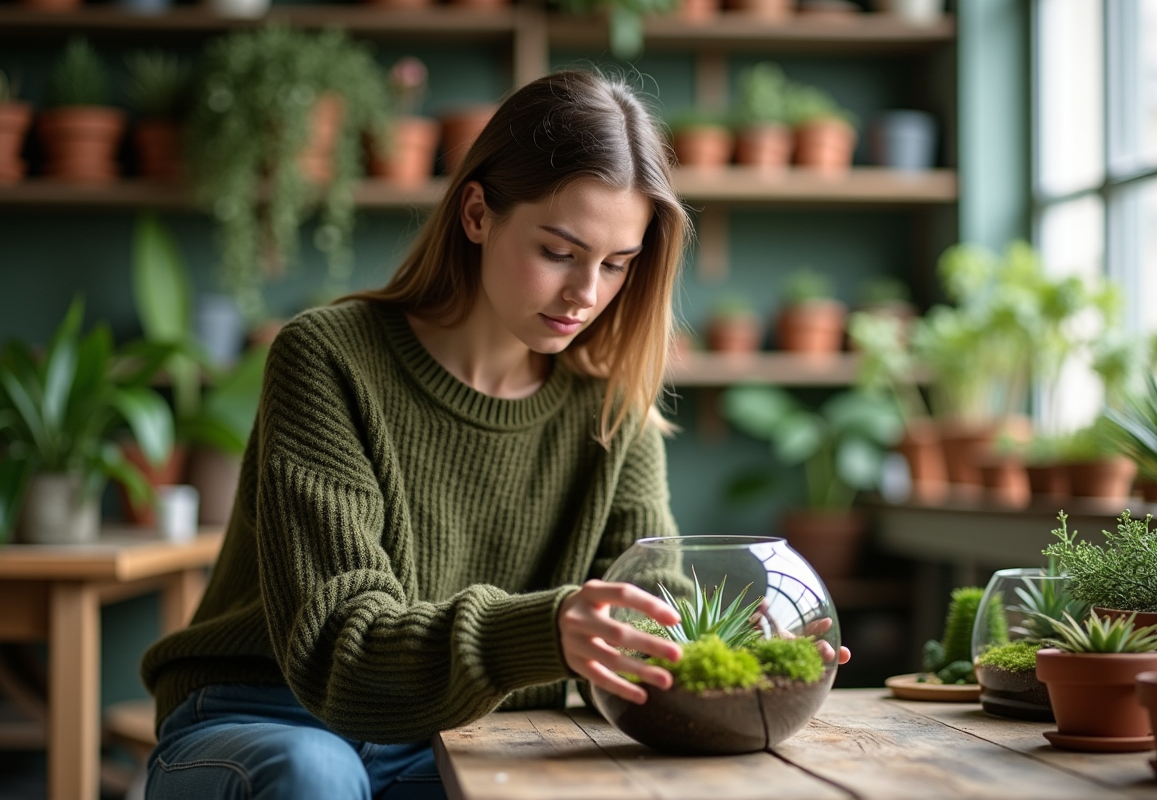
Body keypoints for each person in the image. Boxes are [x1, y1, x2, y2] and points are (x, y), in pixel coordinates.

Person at [140, 68, 848, 800]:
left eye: (616, 266)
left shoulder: (609, 403)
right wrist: (548, 630)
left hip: (462, 738)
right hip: (270, 718)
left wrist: (737, 655)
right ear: (477, 213)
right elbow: (339, 649)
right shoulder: (327, 356)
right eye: (558, 252)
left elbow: (647, 594)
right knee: (314, 776)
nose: (586, 294)